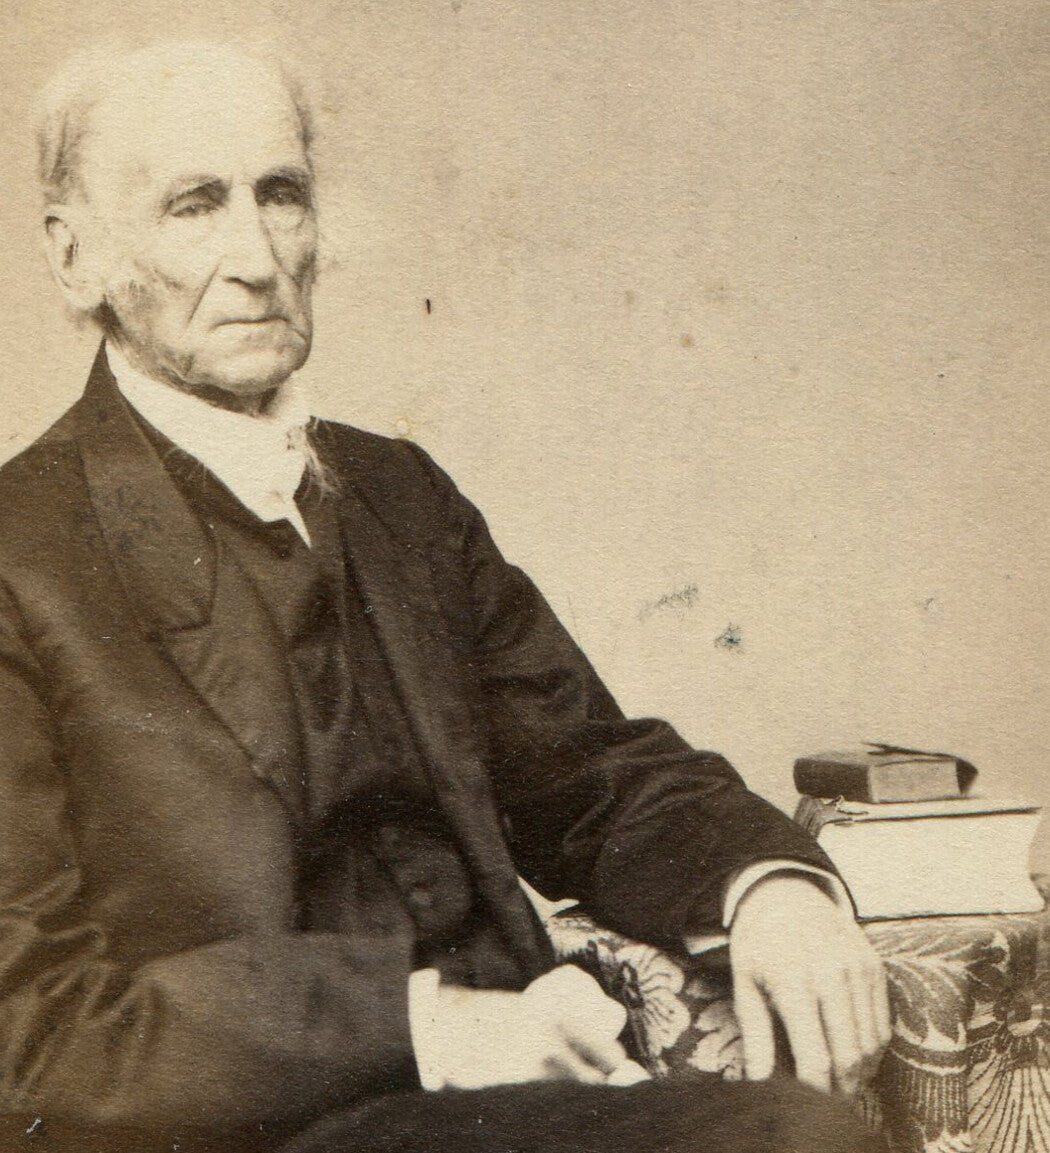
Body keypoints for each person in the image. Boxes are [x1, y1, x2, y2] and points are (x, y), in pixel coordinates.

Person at [0, 38, 889, 1152]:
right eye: (193, 206)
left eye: (282, 195)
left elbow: (590, 774)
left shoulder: (397, 495)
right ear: (75, 258)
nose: (258, 256)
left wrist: (765, 887)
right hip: (248, 1129)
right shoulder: (18, 554)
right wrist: (428, 1026)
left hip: (517, 1103)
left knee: (806, 1136)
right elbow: (24, 1027)